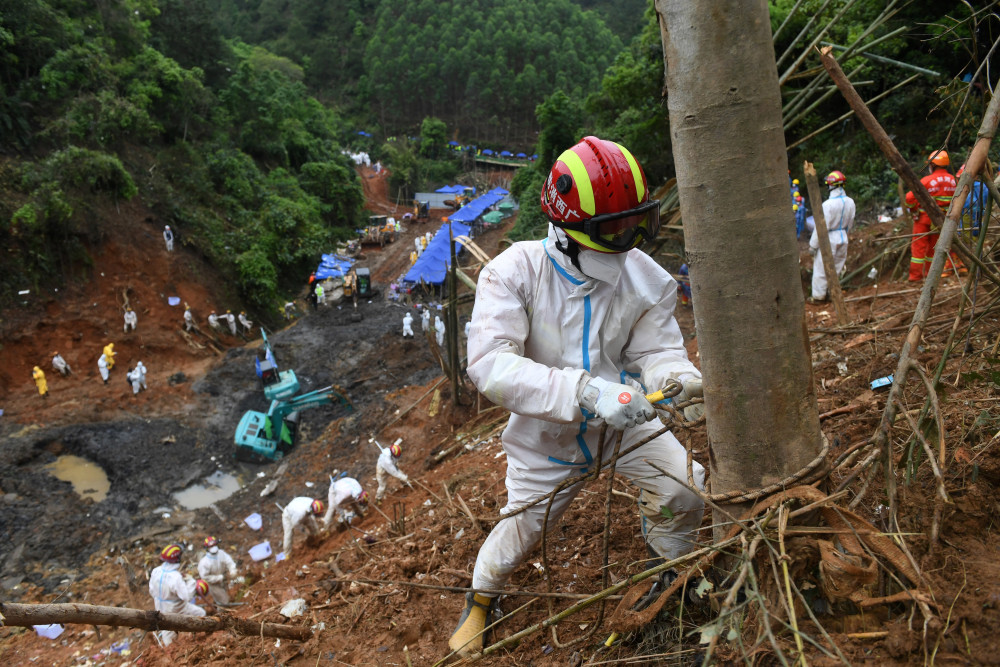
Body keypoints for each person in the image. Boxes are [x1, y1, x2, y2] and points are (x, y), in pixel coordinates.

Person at [449, 137, 706, 657]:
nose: (630, 238)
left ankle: (668, 573)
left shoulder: (646, 279)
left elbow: (656, 348)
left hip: (626, 421)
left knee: (685, 489)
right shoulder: (513, 272)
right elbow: (491, 365)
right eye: (614, 228)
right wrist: (585, 391)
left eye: (638, 222)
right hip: (548, 436)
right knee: (520, 532)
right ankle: (480, 600)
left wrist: (678, 377)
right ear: (568, 229)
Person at [905, 151, 963, 281]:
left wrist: (914, 210)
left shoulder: (926, 180)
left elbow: (909, 197)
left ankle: (915, 276)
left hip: (924, 219)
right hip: (943, 221)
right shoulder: (955, 181)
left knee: (918, 249)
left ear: (932, 165)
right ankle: (931, 275)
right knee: (933, 249)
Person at [809, 170, 857, 302]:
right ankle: (832, 294)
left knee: (821, 269)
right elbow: (850, 222)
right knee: (837, 267)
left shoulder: (827, 205)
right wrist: (845, 235)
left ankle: (818, 297)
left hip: (828, 238)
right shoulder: (850, 202)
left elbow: (820, 227)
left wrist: (813, 245)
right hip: (843, 236)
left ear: (830, 185)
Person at [148, 544, 208, 646]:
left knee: (167, 633)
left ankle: (168, 648)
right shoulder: (175, 577)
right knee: (201, 614)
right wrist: (191, 582)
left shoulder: (156, 571)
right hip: (176, 607)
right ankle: (199, 639)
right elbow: (187, 597)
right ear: (177, 558)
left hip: (160, 607)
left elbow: (151, 591)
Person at [197, 536, 239, 605]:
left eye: (214, 545)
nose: (213, 547)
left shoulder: (221, 553)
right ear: (207, 548)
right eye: (211, 546)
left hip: (223, 580)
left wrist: (232, 570)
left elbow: (229, 562)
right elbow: (204, 577)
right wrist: (219, 578)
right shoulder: (204, 562)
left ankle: (220, 607)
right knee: (224, 601)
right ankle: (221, 612)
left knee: (226, 596)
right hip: (213, 585)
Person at [957, 162, 987, 241]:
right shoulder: (984, 186)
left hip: (968, 214)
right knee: (978, 237)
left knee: (966, 238)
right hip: (980, 215)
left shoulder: (967, 187)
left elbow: (969, 203)